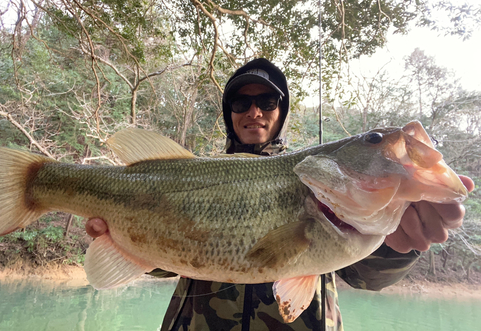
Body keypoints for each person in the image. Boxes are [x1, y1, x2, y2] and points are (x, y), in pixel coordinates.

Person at [85, 58, 474, 330]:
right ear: (230, 113)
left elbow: (367, 277)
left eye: (267, 101)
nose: (254, 111)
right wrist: (127, 241)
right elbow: (168, 264)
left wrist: (399, 243)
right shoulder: (184, 176)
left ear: (281, 111)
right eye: (241, 102)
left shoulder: (325, 185)